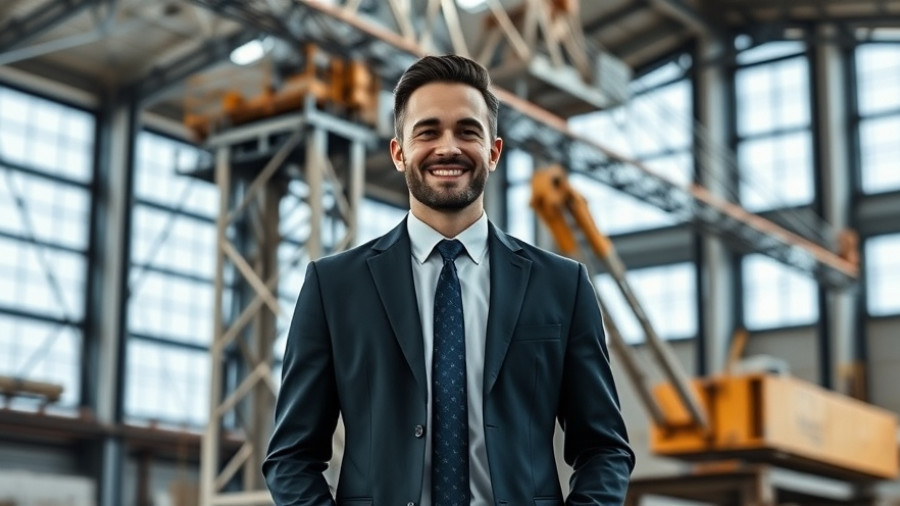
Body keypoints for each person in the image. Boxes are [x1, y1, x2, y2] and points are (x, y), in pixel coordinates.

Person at [263, 54, 634, 506]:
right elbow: (291, 457)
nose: (448, 148)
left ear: (493, 152)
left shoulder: (562, 285)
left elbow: (604, 449)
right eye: (427, 131)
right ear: (398, 153)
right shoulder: (333, 286)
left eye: (467, 131)